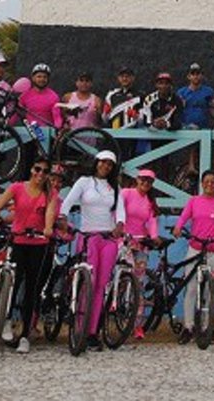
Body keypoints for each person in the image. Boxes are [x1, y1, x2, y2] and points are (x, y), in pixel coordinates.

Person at [0, 157, 57, 353]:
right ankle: (5, 319)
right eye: (37, 169)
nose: (40, 174)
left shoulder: (50, 193)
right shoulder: (18, 188)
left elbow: (50, 212)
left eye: (45, 171)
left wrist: (47, 227)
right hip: (18, 242)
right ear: (31, 169)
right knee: (13, 282)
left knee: (31, 290)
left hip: (39, 244)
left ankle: (25, 335)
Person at [58, 150, 125, 350]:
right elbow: (68, 202)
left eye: (110, 164)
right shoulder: (84, 182)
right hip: (89, 237)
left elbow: (120, 210)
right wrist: (63, 218)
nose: (105, 166)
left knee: (101, 286)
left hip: (108, 238)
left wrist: (120, 224)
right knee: (89, 282)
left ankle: (92, 332)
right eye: (103, 162)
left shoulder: (115, 187)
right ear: (96, 162)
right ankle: (79, 327)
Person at [173, 170, 214, 344]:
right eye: (206, 181)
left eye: (213, 181)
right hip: (196, 248)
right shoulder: (194, 201)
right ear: (202, 183)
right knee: (191, 288)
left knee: (209, 291)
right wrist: (178, 227)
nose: (210, 184)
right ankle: (188, 326)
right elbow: (184, 217)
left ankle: (206, 328)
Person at [121, 169, 160, 340]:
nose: (146, 183)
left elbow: (152, 221)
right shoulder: (126, 193)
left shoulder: (149, 201)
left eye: (149, 181)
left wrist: (154, 236)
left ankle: (137, 324)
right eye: (143, 180)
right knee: (123, 274)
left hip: (141, 242)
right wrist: (119, 230)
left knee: (139, 283)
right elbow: (118, 213)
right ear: (137, 180)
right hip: (124, 241)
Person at [177, 62, 214, 129]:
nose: (195, 76)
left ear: (201, 76)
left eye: (198, 74)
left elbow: (213, 111)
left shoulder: (209, 91)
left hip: (204, 129)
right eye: (193, 74)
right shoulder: (181, 92)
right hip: (185, 129)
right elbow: (177, 111)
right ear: (188, 76)